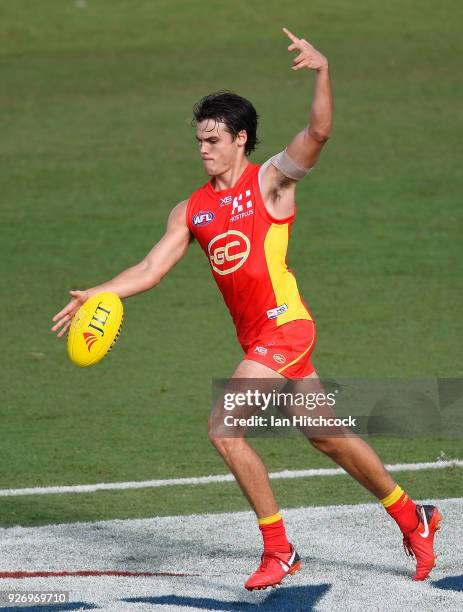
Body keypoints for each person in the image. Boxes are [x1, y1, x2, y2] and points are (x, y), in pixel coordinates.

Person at [52, 28, 441, 590]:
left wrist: (324, 71)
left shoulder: (271, 184)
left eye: (213, 139)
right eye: (199, 140)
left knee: (225, 429)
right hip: (257, 337)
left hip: (285, 328)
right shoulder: (192, 209)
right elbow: (151, 268)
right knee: (327, 437)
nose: (203, 148)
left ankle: (279, 549)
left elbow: (320, 132)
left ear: (241, 139)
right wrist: (100, 291)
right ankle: (416, 517)